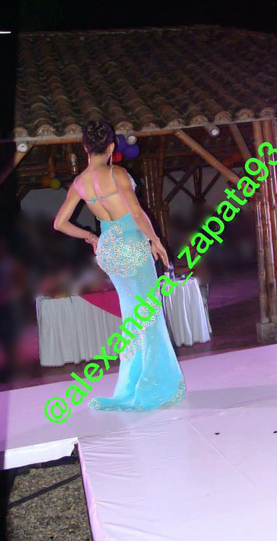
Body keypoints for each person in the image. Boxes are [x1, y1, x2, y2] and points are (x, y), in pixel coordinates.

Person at [53, 120, 186, 411]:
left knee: (131, 318)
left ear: (85, 148)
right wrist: (156, 241)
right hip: (132, 246)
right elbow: (136, 214)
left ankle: (131, 383)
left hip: (109, 250)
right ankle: (152, 386)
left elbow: (59, 223)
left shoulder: (79, 183)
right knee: (149, 315)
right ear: (111, 147)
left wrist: (90, 236)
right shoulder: (117, 173)